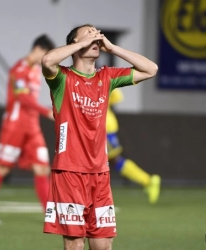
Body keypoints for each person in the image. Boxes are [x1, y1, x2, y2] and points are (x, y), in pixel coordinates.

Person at [41, 24, 158, 250]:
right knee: (75, 243)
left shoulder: (107, 77)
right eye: (88, 34)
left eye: (97, 34)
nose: (95, 37)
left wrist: (113, 48)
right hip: (70, 172)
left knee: (103, 244)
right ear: (75, 44)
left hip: (100, 173)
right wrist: (81, 43)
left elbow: (151, 69)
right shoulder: (61, 78)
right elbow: (47, 61)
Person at [0, 34, 55, 226]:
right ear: (37, 49)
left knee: (42, 168)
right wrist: (46, 111)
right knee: (2, 168)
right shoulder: (19, 69)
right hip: (15, 125)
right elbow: (22, 98)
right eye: (46, 54)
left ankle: (50, 216)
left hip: (32, 127)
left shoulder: (36, 70)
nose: (46, 59)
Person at [107, 88, 161, 204]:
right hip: (104, 124)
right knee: (112, 160)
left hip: (101, 126)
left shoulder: (97, 79)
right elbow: (117, 97)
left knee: (108, 160)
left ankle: (148, 181)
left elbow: (117, 96)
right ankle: (148, 181)